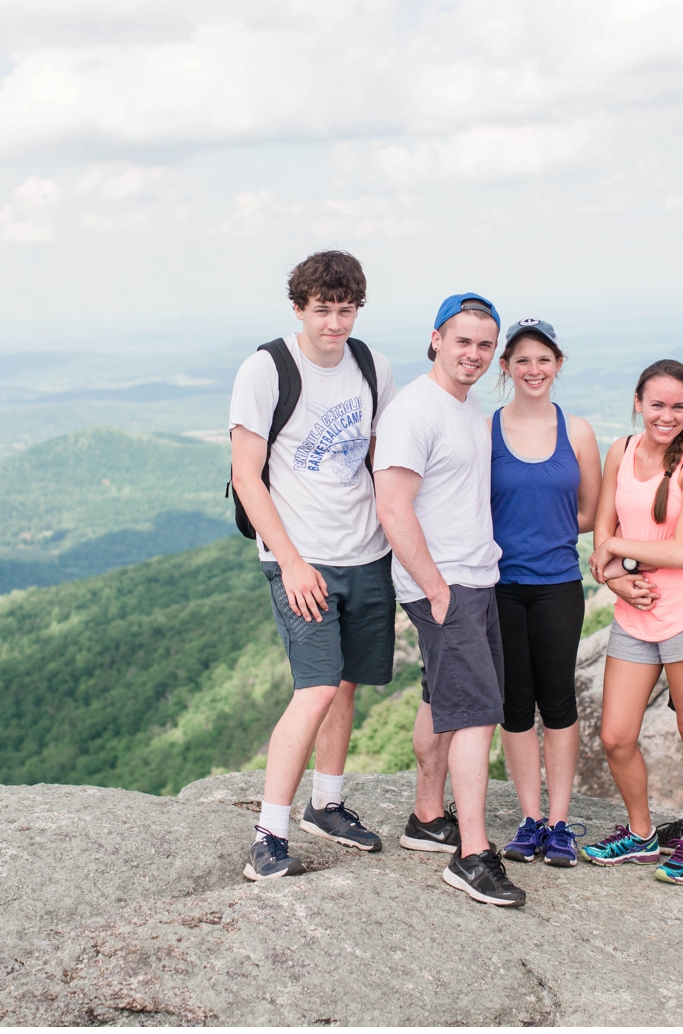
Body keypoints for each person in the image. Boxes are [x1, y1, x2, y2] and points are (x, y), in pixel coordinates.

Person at [228, 250, 398, 881]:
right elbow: (247, 476)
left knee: (348, 682)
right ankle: (268, 834)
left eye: (345, 309)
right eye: (322, 309)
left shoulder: (372, 365)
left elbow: (381, 459)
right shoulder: (267, 369)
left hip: (367, 550)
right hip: (302, 558)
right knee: (317, 686)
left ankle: (326, 803)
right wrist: (292, 563)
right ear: (298, 307)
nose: (334, 322)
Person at [374, 293, 525, 907]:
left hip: (473, 577)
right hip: (446, 582)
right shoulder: (416, 410)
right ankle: (471, 855)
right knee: (477, 713)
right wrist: (435, 587)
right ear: (436, 339)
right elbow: (391, 506)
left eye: (486, 345)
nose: (475, 354)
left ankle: (426, 816)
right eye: (463, 341)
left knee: (443, 698)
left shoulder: (470, 407)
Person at [581, 359, 683, 885]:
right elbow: (600, 539)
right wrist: (617, 579)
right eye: (657, 404)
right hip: (634, 611)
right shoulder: (620, 450)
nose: (666, 415)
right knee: (616, 736)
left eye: (678, 407)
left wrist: (618, 548)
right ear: (638, 401)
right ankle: (641, 835)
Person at [489, 319, 602, 869]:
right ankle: (529, 818)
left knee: (556, 699)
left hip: (558, 583)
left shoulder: (577, 432)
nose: (534, 370)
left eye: (544, 359)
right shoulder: (484, 429)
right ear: (505, 367)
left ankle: (559, 824)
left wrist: (547, 531)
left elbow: (590, 512)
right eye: (522, 360)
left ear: (558, 365)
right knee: (514, 704)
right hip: (500, 586)